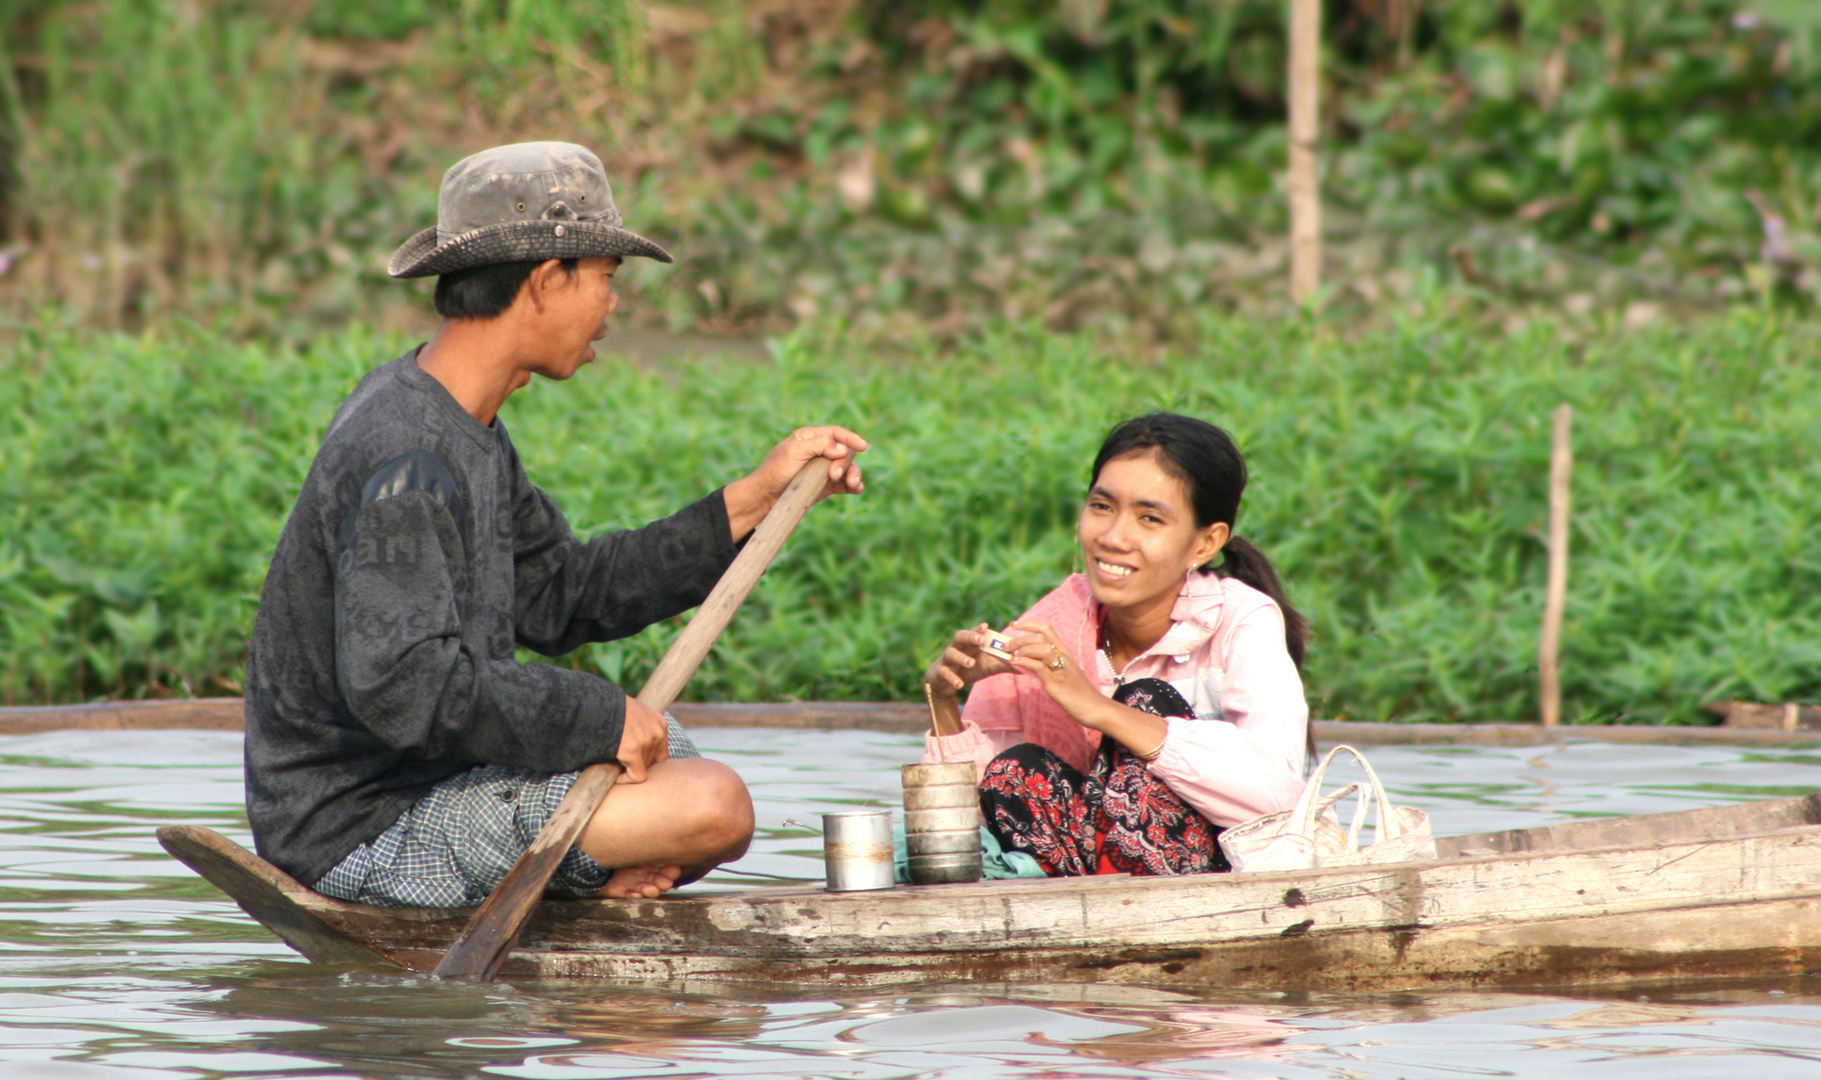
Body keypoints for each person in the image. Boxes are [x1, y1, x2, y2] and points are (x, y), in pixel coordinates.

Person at [243, 142, 866, 907]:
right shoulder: (403, 452)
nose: (612, 306)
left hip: (442, 781)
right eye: (605, 279)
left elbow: (563, 593)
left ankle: (583, 883)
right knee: (709, 806)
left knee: (677, 767)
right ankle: (577, 882)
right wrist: (598, 716)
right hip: (364, 826)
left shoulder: (467, 425)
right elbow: (405, 688)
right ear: (545, 280)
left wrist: (752, 500)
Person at [922, 413, 1307, 877]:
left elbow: (1278, 795)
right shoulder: (1047, 628)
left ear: (1206, 543)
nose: (1112, 537)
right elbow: (970, 824)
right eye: (1102, 506)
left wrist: (1098, 709)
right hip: (1085, 892)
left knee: (1145, 700)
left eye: (1149, 518)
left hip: (1211, 887)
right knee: (1017, 770)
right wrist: (945, 704)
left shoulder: (1243, 621)